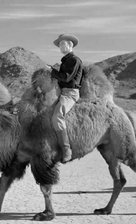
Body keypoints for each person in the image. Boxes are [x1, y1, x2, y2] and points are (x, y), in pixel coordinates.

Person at [48, 34, 83, 163]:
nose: (61, 47)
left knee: (57, 116)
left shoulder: (74, 60)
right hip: (61, 91)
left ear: (70, 45)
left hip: (70, 93)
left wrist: (51, 71)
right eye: (60, 45)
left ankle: (66, 149)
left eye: (63, 44)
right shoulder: (65, 61)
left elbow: (66, 77)